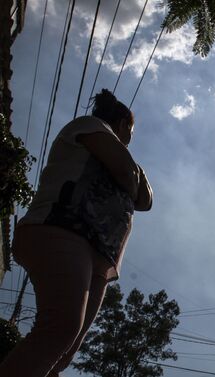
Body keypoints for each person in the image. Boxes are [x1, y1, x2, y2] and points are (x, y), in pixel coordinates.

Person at [0, 89, 153, 377]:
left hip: (99, 255)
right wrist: (131, 174)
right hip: (62, 229)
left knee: (65, 349)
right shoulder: (90, 126)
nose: (130, 138)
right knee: (61, 327)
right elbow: (126, 173)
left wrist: (133, 175)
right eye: (130, 131)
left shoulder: (113, 147)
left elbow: (146, 200)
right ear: (121, 124)